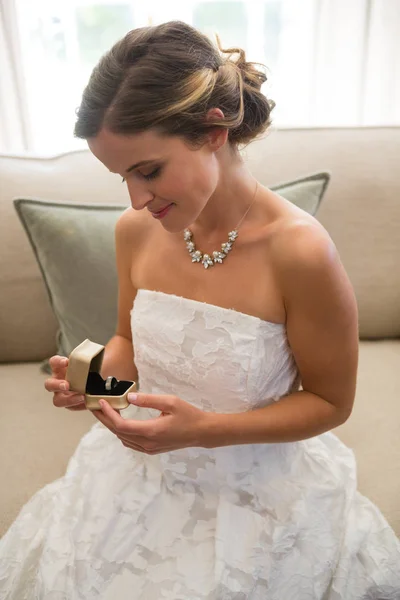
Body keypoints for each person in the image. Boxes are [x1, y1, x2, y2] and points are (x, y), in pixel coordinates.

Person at [0, 20, 399, 600]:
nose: (137, 200)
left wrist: (208, 432)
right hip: (141, 474)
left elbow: (331, 403)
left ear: (214, 131)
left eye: (148, 170)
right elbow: (128, 341)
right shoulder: (136, 231)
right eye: (122, 177)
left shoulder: (301, 251)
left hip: (257, 486)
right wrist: (99, 384)